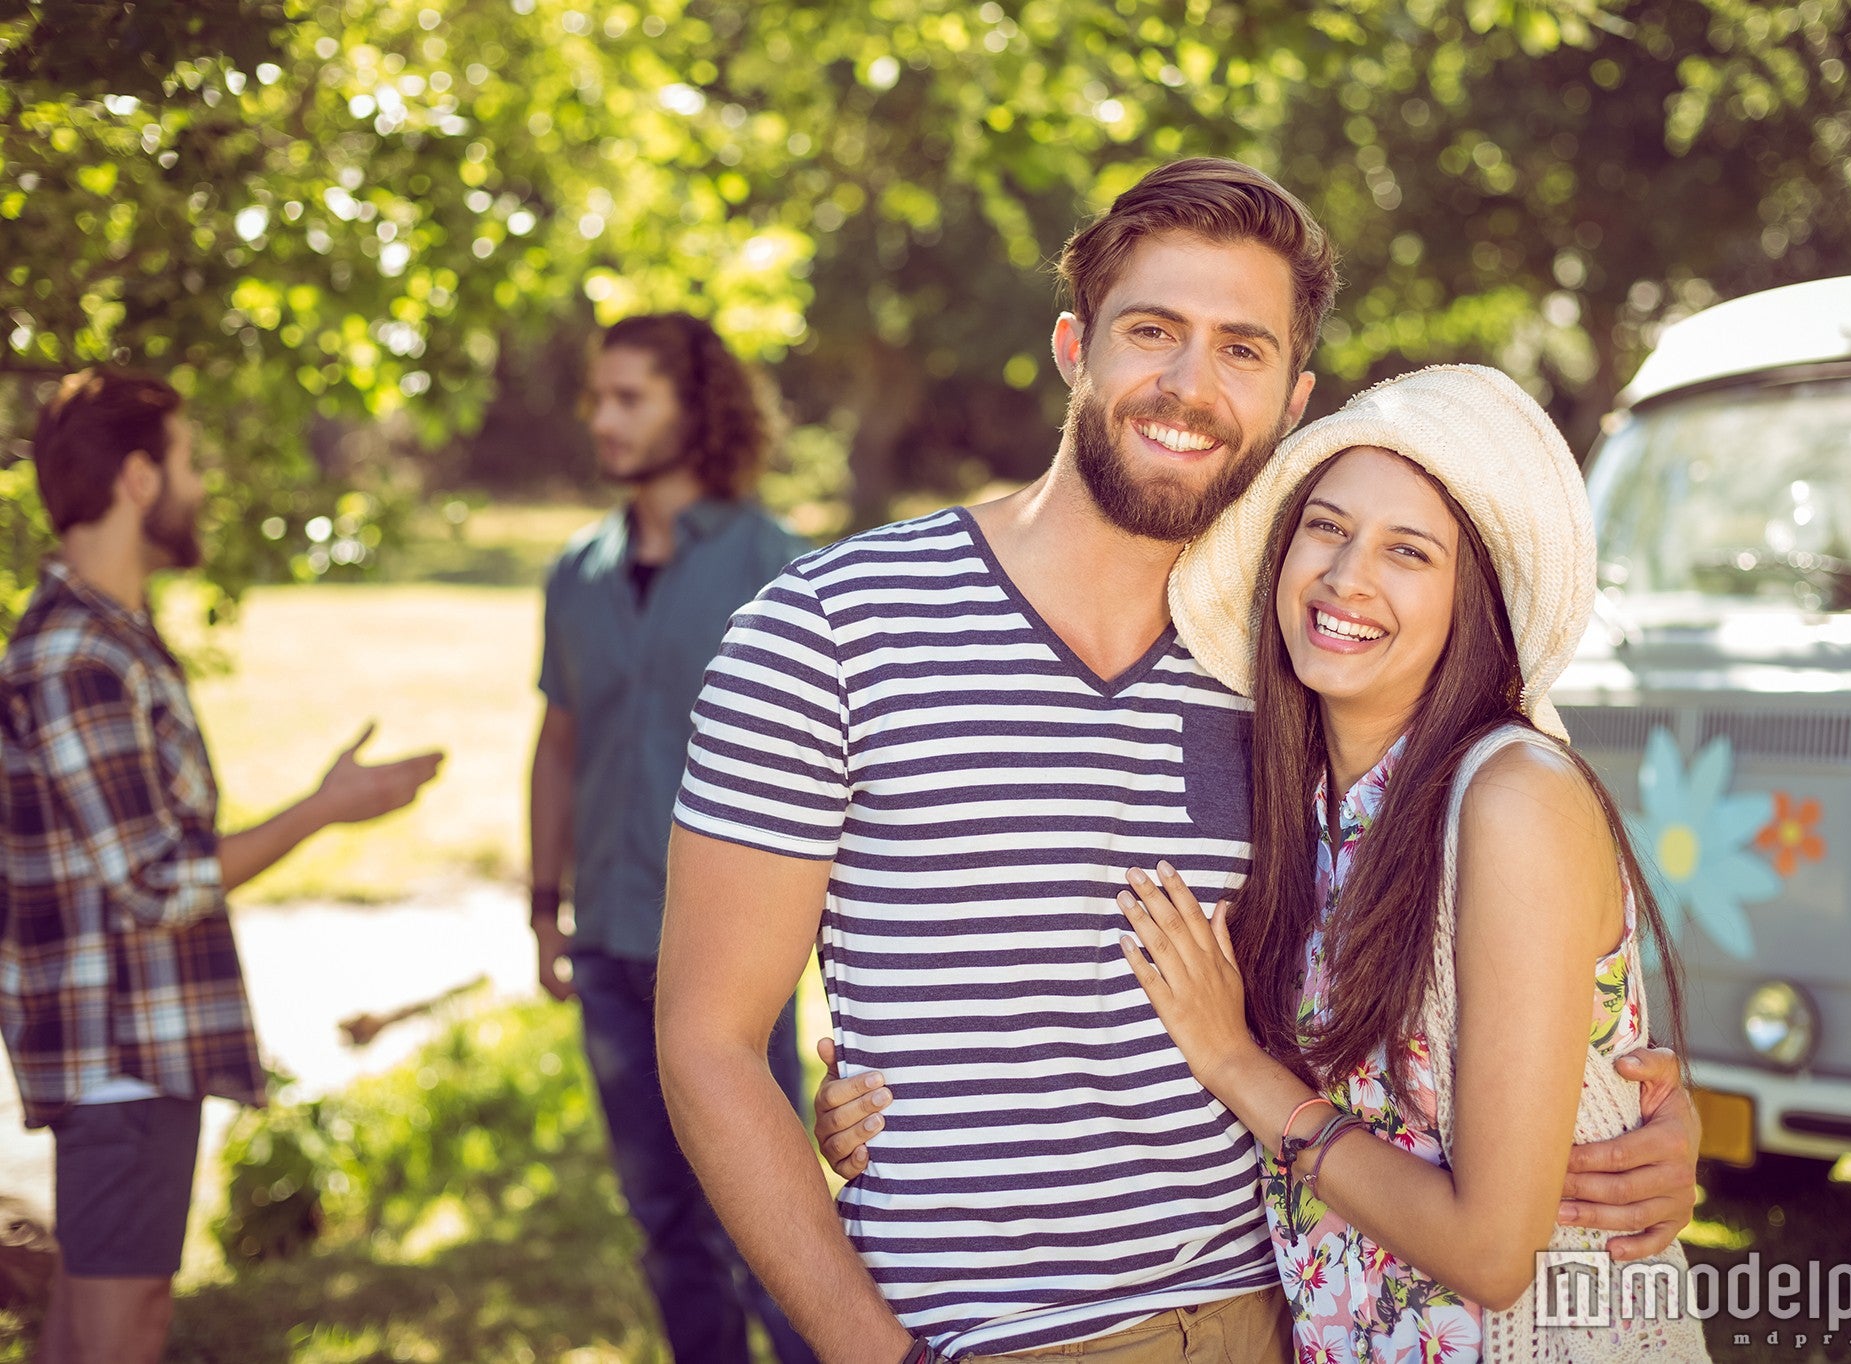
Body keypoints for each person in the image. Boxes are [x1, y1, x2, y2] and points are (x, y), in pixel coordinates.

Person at [658, 160, 1700, 1363]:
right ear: (1072, 346)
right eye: (1152, 331)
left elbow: (1472, 925)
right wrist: (869, 1346)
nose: (1188, 385)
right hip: (995, 1338)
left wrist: (1629, 1118)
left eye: (1241, 349)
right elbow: (707, 1039)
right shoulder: (829, 628)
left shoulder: (1293, 664)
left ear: (1292, 395)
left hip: (1284, 1311)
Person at [1114, 366, 1710, 1360]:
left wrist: (1233, 1064)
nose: (1348, 576)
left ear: (1465, 602)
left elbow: (1490, 1251)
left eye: (1407, 551)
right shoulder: (1300, 797)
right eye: (1326, 527)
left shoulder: (1508, 795)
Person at [0, 368, 444, 1364]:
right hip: (119, 1052)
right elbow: (154, 880)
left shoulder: (112, 637)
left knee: (94, 1318)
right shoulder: (78, 653)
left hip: (136, 1046)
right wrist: (327, 809)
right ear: (138, 478)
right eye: (190, 460)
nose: (203, 484)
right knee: (123, 1324)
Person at [528, 312, 814, 1364]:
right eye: (597, 397)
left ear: (695, 409)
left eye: (629, 397)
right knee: (662, 1222)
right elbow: (559, 744)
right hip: (605, 944)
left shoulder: (780, 566)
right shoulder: (575, 571)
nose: (603, 419)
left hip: (731, 954)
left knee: (766, 1219)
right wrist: (540, 907)